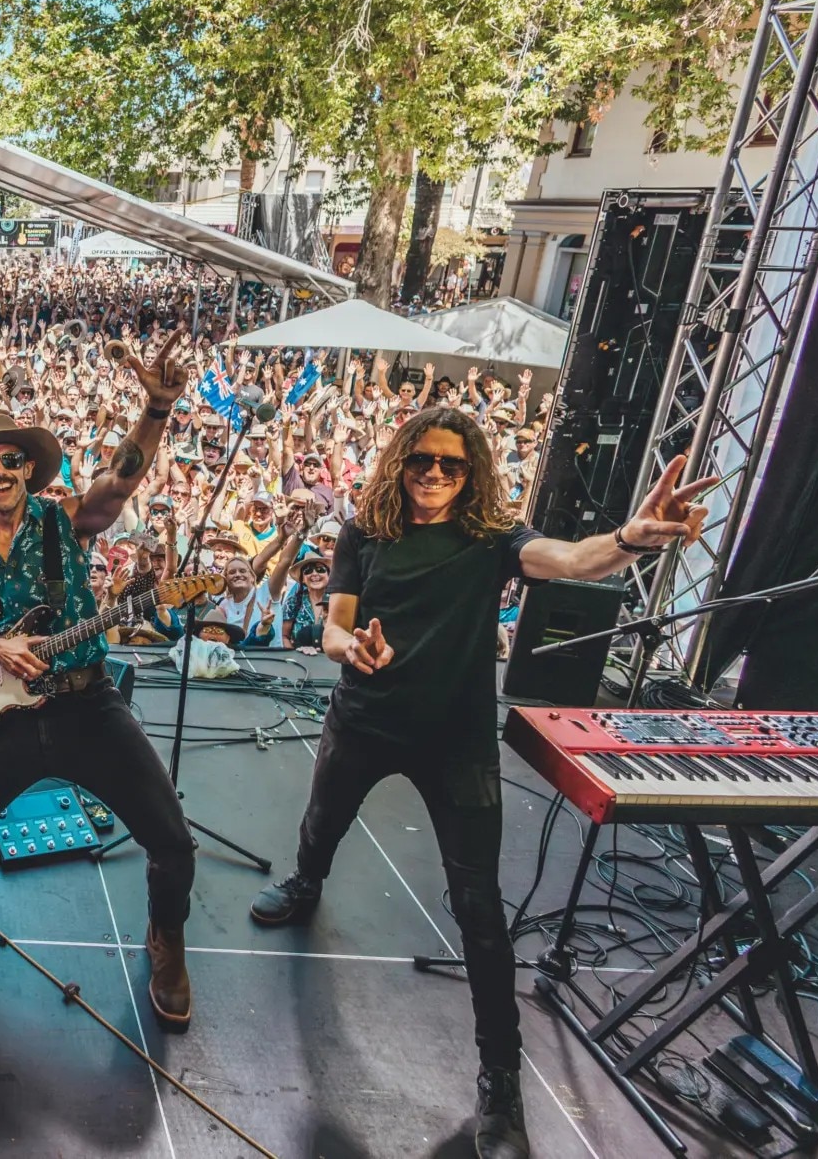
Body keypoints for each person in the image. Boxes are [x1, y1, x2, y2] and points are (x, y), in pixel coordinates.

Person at [246, 407, 715, 1159]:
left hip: (456, 741)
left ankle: (500, 1083)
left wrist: (631, 539)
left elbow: (570, 561)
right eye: (422, 461)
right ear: (400, 462)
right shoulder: (366, 532)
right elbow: (334, 623)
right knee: (320, 827)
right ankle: (306, 883)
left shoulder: (493, 539)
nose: (433, 474)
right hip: (364, 720)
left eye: (452, 465)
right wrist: (346, 650)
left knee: (481, 910)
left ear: (473, 474)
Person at [0, 334, 199, 1032]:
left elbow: (121, 479)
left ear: (29, 468)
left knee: (172, 841)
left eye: (10, 460)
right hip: (6, 717)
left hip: (88, 702)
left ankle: (166, 939)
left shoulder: (65, 522)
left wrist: (154, 408)